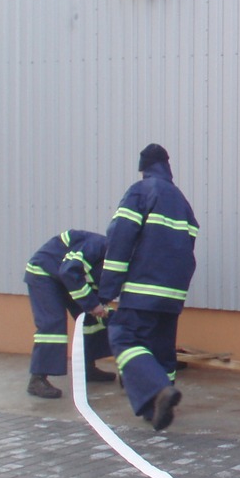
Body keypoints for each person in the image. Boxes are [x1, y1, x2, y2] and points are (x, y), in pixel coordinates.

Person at [99, 144, 199, 431]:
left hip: (143, 287)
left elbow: (120, 239)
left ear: (143, 168)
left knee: (123, 337)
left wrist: (107, 291)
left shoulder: (141, 191)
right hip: (173, 293)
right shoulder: (181, 201)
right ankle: (156, 409)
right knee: (161, 350)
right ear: (168, 167)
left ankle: (157, 392)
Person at [23, 229, 115, 398]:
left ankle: (88, 369)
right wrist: (93, 304)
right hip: (44, 273)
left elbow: (96, 284)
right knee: (52, 324)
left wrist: (98, 305)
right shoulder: (96, 246)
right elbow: (69, 271)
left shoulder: (116, 260)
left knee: (91, 320)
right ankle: (37, 380)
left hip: (66, 279)